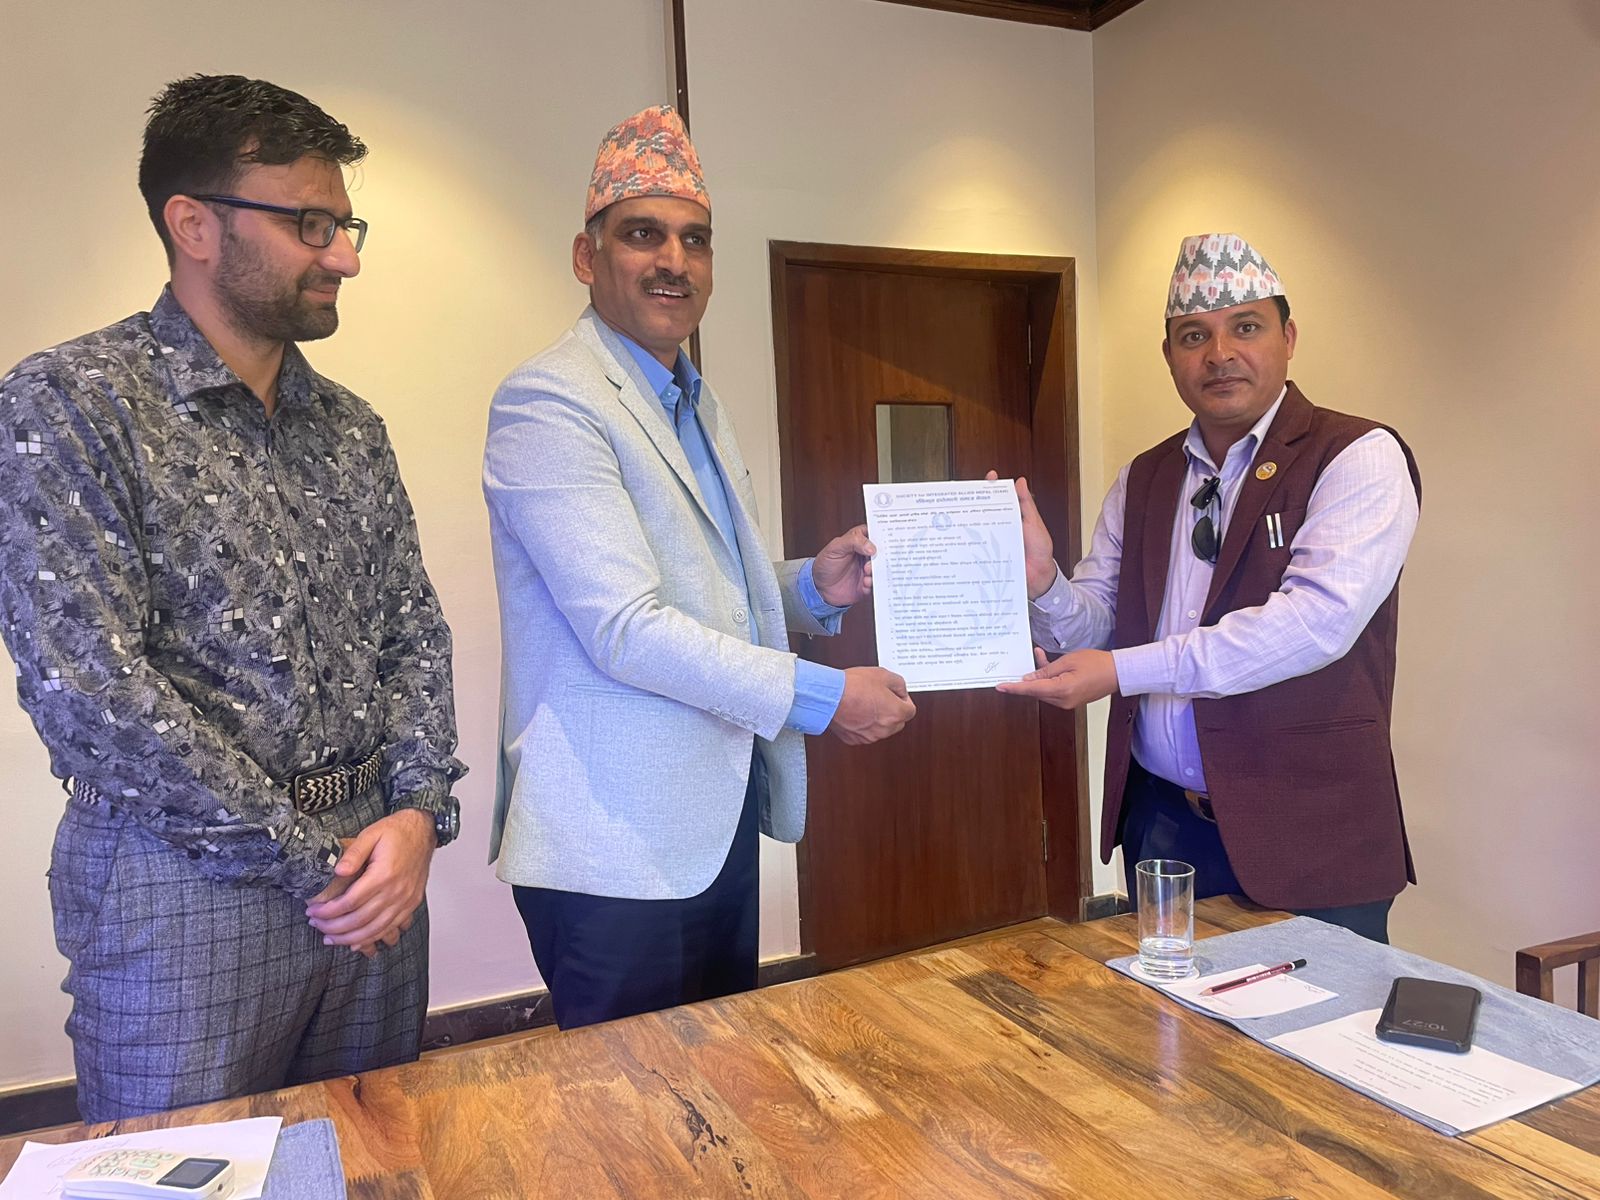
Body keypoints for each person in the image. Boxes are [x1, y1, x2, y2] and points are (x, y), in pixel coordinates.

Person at [0, 75, 465, 1121]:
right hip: (180, 890)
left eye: (344, 225)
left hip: (374, 870)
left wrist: (415, 813)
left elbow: (412, 631)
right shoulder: (71, 404)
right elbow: (91, 693)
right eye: (309, 224)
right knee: (187, 1175)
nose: (343, 257)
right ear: (194, 225)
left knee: (373, 1157)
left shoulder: (351, 428)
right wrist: (309, 859)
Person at [483, 104, 915, 1028]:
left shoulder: (692, 397)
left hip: (711, 825)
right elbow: (626, 628)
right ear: (586, 255)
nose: (673, 260)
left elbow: (703, 589)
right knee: (629, 1103)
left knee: (722, 1082)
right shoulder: (550, 403)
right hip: (612, 848)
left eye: (695, 239)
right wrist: (824, 696)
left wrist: (810, 587)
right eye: (643, 234)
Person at [998, 233, 1420, 942]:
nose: (1219, 354)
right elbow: (1098, 623)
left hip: (1309, 831)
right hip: (1164, 825)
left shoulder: (1356, 456)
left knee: (1319, 1016)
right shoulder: (1147, 476)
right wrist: (1044, 585)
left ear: (1288, 338)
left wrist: (1121, 671)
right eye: (1194, 336)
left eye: (1245, 328)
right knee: (1164, 1013)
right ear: (1169, 355)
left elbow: (1314, 624)